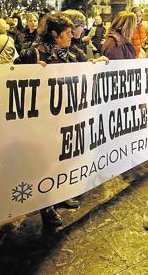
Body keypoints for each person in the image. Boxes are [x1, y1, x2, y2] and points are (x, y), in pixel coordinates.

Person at [18, 12, 108, 226]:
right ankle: (46, 207)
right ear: (54, 34)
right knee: (44, 163)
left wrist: (96, 64)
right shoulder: (33, 54)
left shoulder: (72, 53)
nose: (72, 36)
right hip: (41, 123)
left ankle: (62, 191)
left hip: (67, 118)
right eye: (67, 33)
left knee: (63, 160)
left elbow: (84, 70)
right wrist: (28, 71)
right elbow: (13, 77)